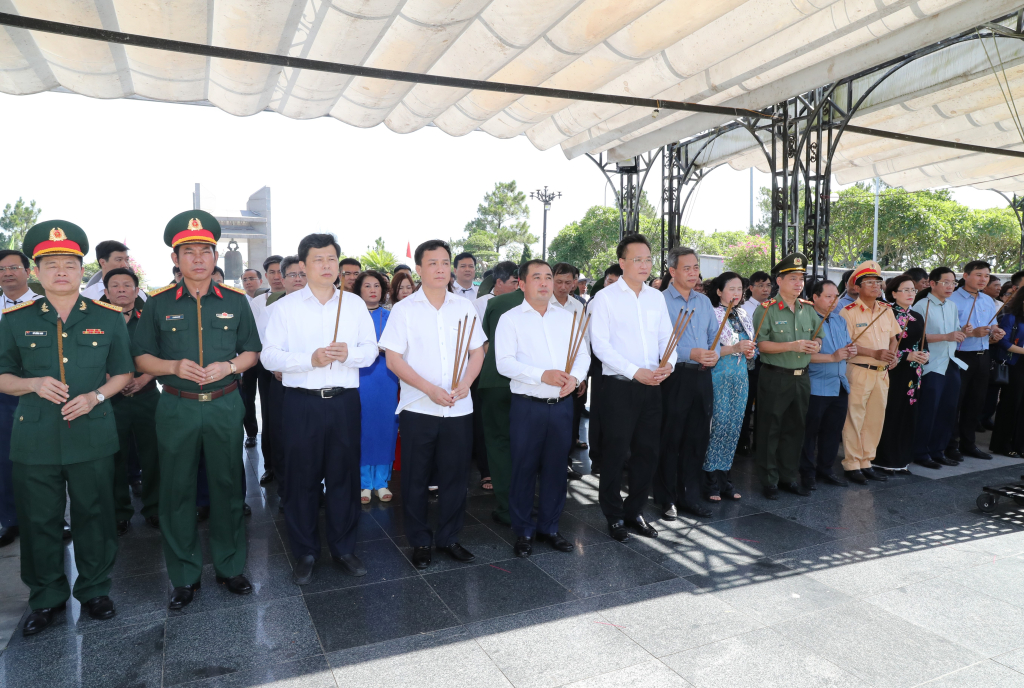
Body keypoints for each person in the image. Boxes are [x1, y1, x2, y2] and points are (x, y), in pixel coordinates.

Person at [0, 221, 134, 635]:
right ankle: (46, 598)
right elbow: (2, 375)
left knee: (94, 513)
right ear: (37, 271)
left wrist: (96, 396)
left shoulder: (107, 317)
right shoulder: (14, 319)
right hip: (35, 436)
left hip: (91, 430)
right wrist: (33, 383)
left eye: (70, 264)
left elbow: (123, 373)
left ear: (82, 271)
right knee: (40, 520)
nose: (62, 271)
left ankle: (95, 590)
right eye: (52, 264)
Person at [133, 210, 261, 610]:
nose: (198, 258)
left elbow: (252, 352)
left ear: (215, 254)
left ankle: (230, 567)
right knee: (177, 491)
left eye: (205, 250)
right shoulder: (156, 304)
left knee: (227, 487)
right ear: (176, 259)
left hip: (224, 405)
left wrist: (230, 365)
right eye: (188, 252)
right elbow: (140, 357)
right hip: (177, 406)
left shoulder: (237, 302)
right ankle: (184, 576)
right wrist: (171, 366)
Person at [262, 234, 377, 584]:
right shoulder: (285, 307)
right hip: (301, 404)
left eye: (331, 259)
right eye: (318, 260)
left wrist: (350, 355)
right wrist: (307, 360)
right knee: (301, 480)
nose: (326, 266)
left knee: (344, 477)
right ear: (303, 266)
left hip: (343, 403)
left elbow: (370, 351)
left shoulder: (353, 305)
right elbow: (269, 356)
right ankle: (305, 551)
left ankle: (344, 548)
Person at [379, 240, 486, 570]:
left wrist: (465, 384)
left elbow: (477, 351)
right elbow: (393, 360)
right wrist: (428, 388)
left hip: (458, 407)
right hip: (418, 407)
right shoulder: (405, 309)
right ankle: (420, 541)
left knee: (455, 477)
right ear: (420, 269)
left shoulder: (463, 307)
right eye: (433, 263)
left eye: (445, 262)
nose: (440, 268)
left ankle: (450, 537)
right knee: (415, 478)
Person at [496, 259, 589, 557]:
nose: (545, 282)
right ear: (522, 283)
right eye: (537, 277)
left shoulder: (568, 317)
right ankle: (523, 531)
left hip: (562, 406)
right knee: (523, 469)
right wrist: (542, 375)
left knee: (555, 471)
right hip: (527, 407)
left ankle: (549, 527)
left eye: (548, 277)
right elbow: (504, 363)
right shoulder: (510, 319)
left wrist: (575, 378)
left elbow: (583, 356)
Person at [589, 235, 674, 541]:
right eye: (637, 259)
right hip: (619, 387)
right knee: (614, 452)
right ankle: (613, 515)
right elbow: (600, 345)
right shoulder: (605, 298)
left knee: (647, 452)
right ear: (622, 263)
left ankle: (634, 510)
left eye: (648, 259)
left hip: (653, 385)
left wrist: (669, 364)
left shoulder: (656, 298)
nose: (644, 265)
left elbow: (667, 337)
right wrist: (634, 371)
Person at [657, 247, 720, 520]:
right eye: (687, 268)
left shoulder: (704, 302)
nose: (694, 273)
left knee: (697, 439)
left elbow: (711, 338)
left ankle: (690, 496)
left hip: (702, 377)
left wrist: (712, 354)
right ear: (672, 271)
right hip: (674, 376)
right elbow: (656, 347)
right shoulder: (659, 302)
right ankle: (666, 498)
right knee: (670, 439)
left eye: (696, 268)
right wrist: (689, 353)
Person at [753, 252, 820, 499]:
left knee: (795, 428)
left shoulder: (808, 309)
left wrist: (817, 345)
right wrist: (792, 345)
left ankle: (788, 477)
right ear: (779, 281)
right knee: (770, 429)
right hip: (775, 376)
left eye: (801, 278)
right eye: (793, 278)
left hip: (801, 377)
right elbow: (761, 345)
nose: (798, 283)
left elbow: (816, 336)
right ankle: (769, 480)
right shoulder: (767, 309)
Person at [103, 267, 161, 534]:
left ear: (137, 290)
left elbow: (163, 352)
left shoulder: (149, 316)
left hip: (147, 396)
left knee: (153, 455)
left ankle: (154, 508)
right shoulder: (95, 318)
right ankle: (119, 512)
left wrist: (144, 378)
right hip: (110, 400)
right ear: (106, 292)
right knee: (115, 458)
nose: (122, 290)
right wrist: (111, 380)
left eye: (127, 285)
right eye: (115, 286)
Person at [839, 260, 900, 485]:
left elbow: (894, 338)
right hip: (859, 370)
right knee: (854, 418)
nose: (876, 286)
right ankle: (852, 463)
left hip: (881, 373)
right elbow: (846, 346)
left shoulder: (886, 310)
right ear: (857, 287)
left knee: (875, 418)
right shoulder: (848, 312)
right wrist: (874, 353)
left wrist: (892, 355)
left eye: (878, 282)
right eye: (869, 282)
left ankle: (867, 461)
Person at [257, 256, 307, 506]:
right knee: (282, 436)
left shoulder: (323, 308)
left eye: (302, 274)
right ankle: (287, 491)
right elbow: (264, 350)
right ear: (282, 279)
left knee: (310, 440)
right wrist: (279, 365)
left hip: (313, 384)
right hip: (281, 383)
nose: (298, 280)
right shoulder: (270, 310)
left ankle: (313, 490)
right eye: (292, 275)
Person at [0, 249, 42, 548]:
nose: (7, 273)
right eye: (1, 269)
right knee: (5, 461)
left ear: (28, 272)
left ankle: (53, 517)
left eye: (14, 267)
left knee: (43, 461)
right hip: (3, 395)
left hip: (37, 394)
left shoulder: (45, 306)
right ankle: (10, 519)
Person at [703, 272, 755, 501]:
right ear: (719, 291)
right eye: (731, 288)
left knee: (734, 426)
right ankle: (709, 478)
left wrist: (750, 351)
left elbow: (748, 347)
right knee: (718, 425)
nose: (737, 293)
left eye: (739, 289)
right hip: (719, 375)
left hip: (740, 376)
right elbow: (709, 348)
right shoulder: (712, 314)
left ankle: (726, 475)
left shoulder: (743, 314)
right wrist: (735, 349)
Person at [478, 280, 525, 527]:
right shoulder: (547, 305)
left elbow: (484, 344)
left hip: (495, 380)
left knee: (498, 444)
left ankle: (507, 506)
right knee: (527, 445)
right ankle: (524, 502)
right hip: (532, 385)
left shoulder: (495, 303)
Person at [948, 261, 1005, 461]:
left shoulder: (988, 300)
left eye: (986, 276)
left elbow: (992, 325)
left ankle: (968, 443)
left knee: (976, 402)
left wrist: (996, 332)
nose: (983, 279)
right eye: (978, 275)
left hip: (983, 355)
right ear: (965, 275)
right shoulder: (952, 298)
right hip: (960, 356)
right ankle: (950, 444)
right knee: (955, 401)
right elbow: (948, 330)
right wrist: (972, 334)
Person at [910, 268, 967, 469]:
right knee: (928, 410)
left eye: (953, 282)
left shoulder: (951, 305)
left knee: (948, 410)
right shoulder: (921, 305)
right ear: (932, 284)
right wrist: (947, 336)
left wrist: (961, 333)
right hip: (931, 364)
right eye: (945, 282)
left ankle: (938, 450)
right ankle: (920, 452)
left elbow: (954, 331)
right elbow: (916, 336)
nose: (950, 286)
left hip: (950, 362)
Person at [874, 275, 930, 474]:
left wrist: (925, 355)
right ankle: (884, 459)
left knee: (908, 414)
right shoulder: (886, 313)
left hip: (913, 374)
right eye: (905, 290)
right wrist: (906, 355)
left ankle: (902, 459)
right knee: (891, 413)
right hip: (893, 371)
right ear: (893, 293)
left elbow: (923, 343)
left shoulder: (918, 316)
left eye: (913, 290)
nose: (910, 294)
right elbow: (879, 345)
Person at [802, 280, 854, 489]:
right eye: (828, 296)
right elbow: (803, 355)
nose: (834, 301)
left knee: (832, 431)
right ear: (815, 297)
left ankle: (826, 469)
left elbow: (846, 347)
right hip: (816, 385)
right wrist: (833, 357)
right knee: (809, 432)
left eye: (836, 296)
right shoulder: (806, 319)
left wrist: (851, 352)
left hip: (839, 383)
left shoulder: (840, 320)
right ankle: (806, 472)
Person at [353, 270, 399, 504]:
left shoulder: (391, 316)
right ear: (358, 290)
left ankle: (382, 481)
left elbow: (401, 346)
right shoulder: (351, 315)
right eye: (367, 286)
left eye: (377, 286)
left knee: (385, 427)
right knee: (362, 426)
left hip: (386, 376)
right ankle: (363, 483)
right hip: (359, 376)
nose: (373, 290)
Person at [551, 262, 587, 478]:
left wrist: (582, 376)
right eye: (559, 282)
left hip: (572, 372)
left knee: (570, 421)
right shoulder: (543, 303)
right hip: (548, 372)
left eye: (568, 282)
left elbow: (585, 340)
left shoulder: (578, 306)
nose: (563, 287)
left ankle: (564, 462)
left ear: (575, 282)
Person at [249, 256, 284, 472]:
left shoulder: (298, 300)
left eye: (281, 271)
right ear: (266, 276)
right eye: (272, 272)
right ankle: (271, 467)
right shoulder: (257, 302)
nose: (277, 276)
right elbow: (254, 336)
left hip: (296, 366)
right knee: (270, 417)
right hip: (267, 367)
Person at [989, 287, 1024, 456]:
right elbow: (1002, 342)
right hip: (1015, 365)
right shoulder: (1011, 317)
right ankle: (1002, 444)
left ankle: (1020, 444)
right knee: (1011, 404)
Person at [239, 267, 263, 448]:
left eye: (252, 278)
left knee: (267, 397)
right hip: (246, 358)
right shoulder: (239, 302)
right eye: (245, 279)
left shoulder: (269, 301)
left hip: (266, 358)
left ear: (260, 281)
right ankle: (252, 433)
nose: (248, 282)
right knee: (247, 397)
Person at [81, 240, 148, 302]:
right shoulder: (87, 296)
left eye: (126, 260)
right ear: (103, 262)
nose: (125, 265)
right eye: (119, 260)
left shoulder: (139, 294)